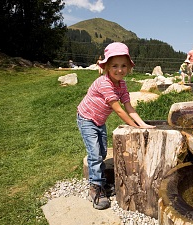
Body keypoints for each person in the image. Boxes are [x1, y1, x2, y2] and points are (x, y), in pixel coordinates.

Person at [77, 42, 156, 210]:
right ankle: (95, 187)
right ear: (106, 67)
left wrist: (143, 125)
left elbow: (129, 107)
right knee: (95, 154)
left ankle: (100, 181)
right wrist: (134, 127)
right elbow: (119, 110)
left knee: (103, 152)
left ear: (128, 67)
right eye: (114, 66)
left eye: (123, 66)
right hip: (86, 119)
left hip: (99, 121)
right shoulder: (104, 83)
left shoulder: (122, 85)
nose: (119, 70)